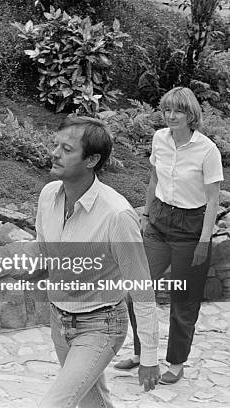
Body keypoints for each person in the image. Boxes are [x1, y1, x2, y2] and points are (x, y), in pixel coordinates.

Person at [34, 116, 161, 407]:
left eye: (67, 149)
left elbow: (141, 289)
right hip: (60, 319)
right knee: (93, 404)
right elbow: (46, 254)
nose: (54, 153)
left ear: (91, 159)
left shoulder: (116, 215)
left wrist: (150, 357)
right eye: (56, 145)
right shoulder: (47, 196)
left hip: (101, 324)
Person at [115, 87, 223, 384]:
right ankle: (142, 354)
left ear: (191, 115)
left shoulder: (206, 150)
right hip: (160, 220)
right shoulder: (160, 139)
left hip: (191, 226)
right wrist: (147, 215)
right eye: (166, 110)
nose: (171, 116)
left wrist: (204, 240)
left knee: (183, 298)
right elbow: (153, 179)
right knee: (137, 289)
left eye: (178, 110)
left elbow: (213, 201)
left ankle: (176, 362)